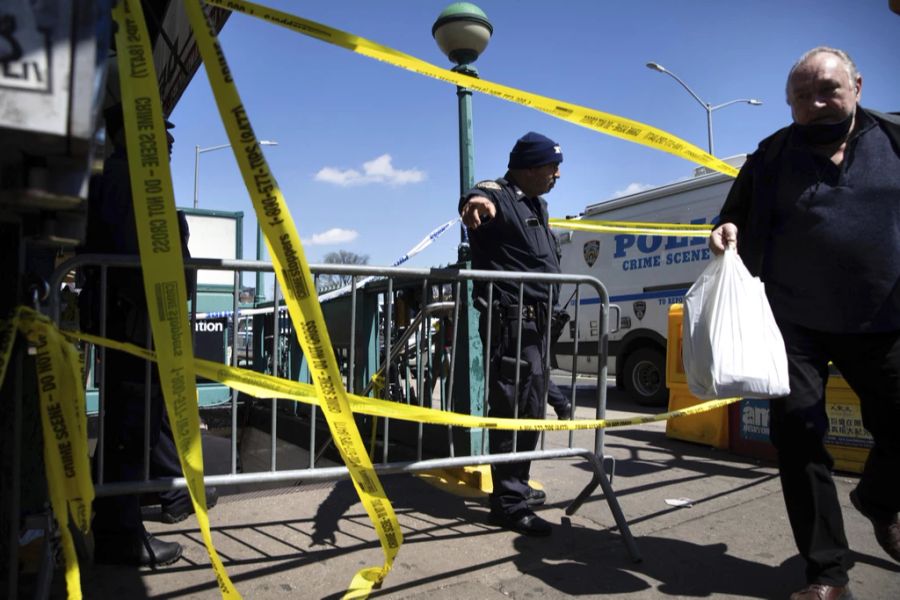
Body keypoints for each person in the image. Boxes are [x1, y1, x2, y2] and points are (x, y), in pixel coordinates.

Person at [709, 47, 900, 600]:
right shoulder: (770, 156)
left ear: (857, 86)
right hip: (793, 325)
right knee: (800, 440)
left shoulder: (893, 139)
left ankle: (879, 498)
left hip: (884, 317)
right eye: (801, 97)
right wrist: (723, 233)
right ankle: (826, 575)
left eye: (827, 91)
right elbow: (731, 218)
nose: (815, 104)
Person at [79, 104, 201, 566]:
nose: (169, 141)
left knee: (132, 426)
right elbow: (141, 261)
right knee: (130, 430)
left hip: (134, 323)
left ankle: (119, 519)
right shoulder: (127, 181)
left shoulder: (119, 178)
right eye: (159, 132)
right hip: (134, 326)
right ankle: (122, 538)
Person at [458, 131, 565, 536]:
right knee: (512, 411)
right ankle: (507, 503)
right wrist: (476, 203)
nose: (557, 174)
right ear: (527, 167)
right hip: (511, 323)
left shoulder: (537, 203)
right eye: (550, 167)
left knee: (530, 411)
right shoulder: (499, 194)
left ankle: (514, 486)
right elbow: (476, 195)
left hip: (536, 324)